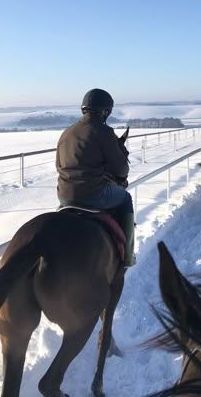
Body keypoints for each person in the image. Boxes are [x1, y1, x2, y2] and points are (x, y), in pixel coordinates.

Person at [56, 88, 136, 267]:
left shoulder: (67, 132)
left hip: (64, 196)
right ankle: (128, 255)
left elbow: (58, 165)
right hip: (93, 195)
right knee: (126, 198)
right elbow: (121, 170)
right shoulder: (104, 132)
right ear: (105, 111)